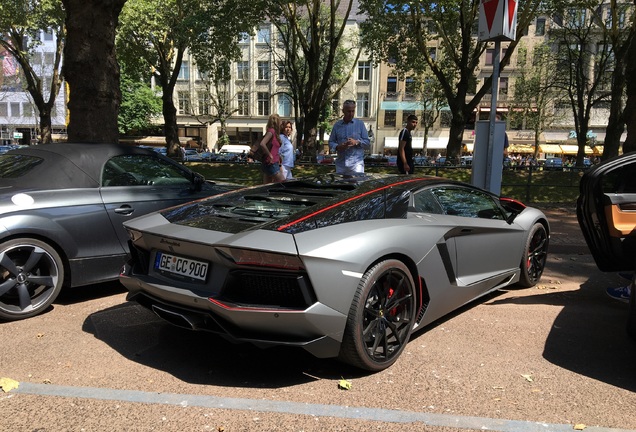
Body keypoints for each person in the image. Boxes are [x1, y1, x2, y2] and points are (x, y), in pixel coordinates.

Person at [328, 100, 370, 175]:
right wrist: (338, 147)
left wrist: (356, 142)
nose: (351, 114)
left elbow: (367, 143)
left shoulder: (360, 124)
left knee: (356, 185)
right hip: (341, 164)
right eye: (348, 111)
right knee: (342, 186)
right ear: (343, 111)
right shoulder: (337, 125)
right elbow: (331, 142)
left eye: (353, 111)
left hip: (357, 164)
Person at [253, 113, 285, 184]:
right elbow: (262, 143)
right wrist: (270, 155)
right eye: (280, 121)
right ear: (276, 122)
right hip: (271, 163)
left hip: (270, 163)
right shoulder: (271, 131)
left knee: (267, 186)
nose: (281, 123)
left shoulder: (274, 133)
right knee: (283, 182)